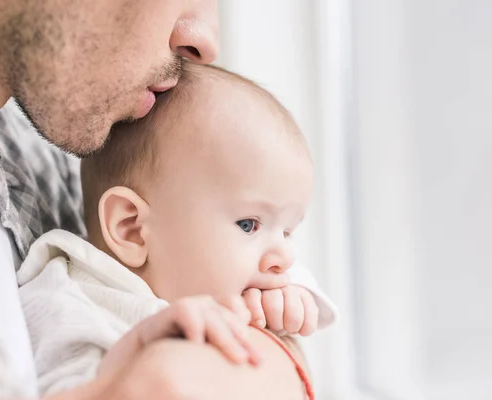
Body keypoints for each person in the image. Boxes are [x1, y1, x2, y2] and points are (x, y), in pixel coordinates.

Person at [0, 1, 331, 399]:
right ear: (128, 226)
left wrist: (268, 335)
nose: (206, 43)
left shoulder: (41, 157)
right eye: (249, 225)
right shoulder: (66, 294)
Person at [17, 62, 336, 397]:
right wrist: (134, 351)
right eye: (248, 225)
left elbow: (306, 299)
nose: (284, 257)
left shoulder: (247, 277)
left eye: (287, 232)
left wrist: (287, 306)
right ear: (133, 229)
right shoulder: (68, 303)